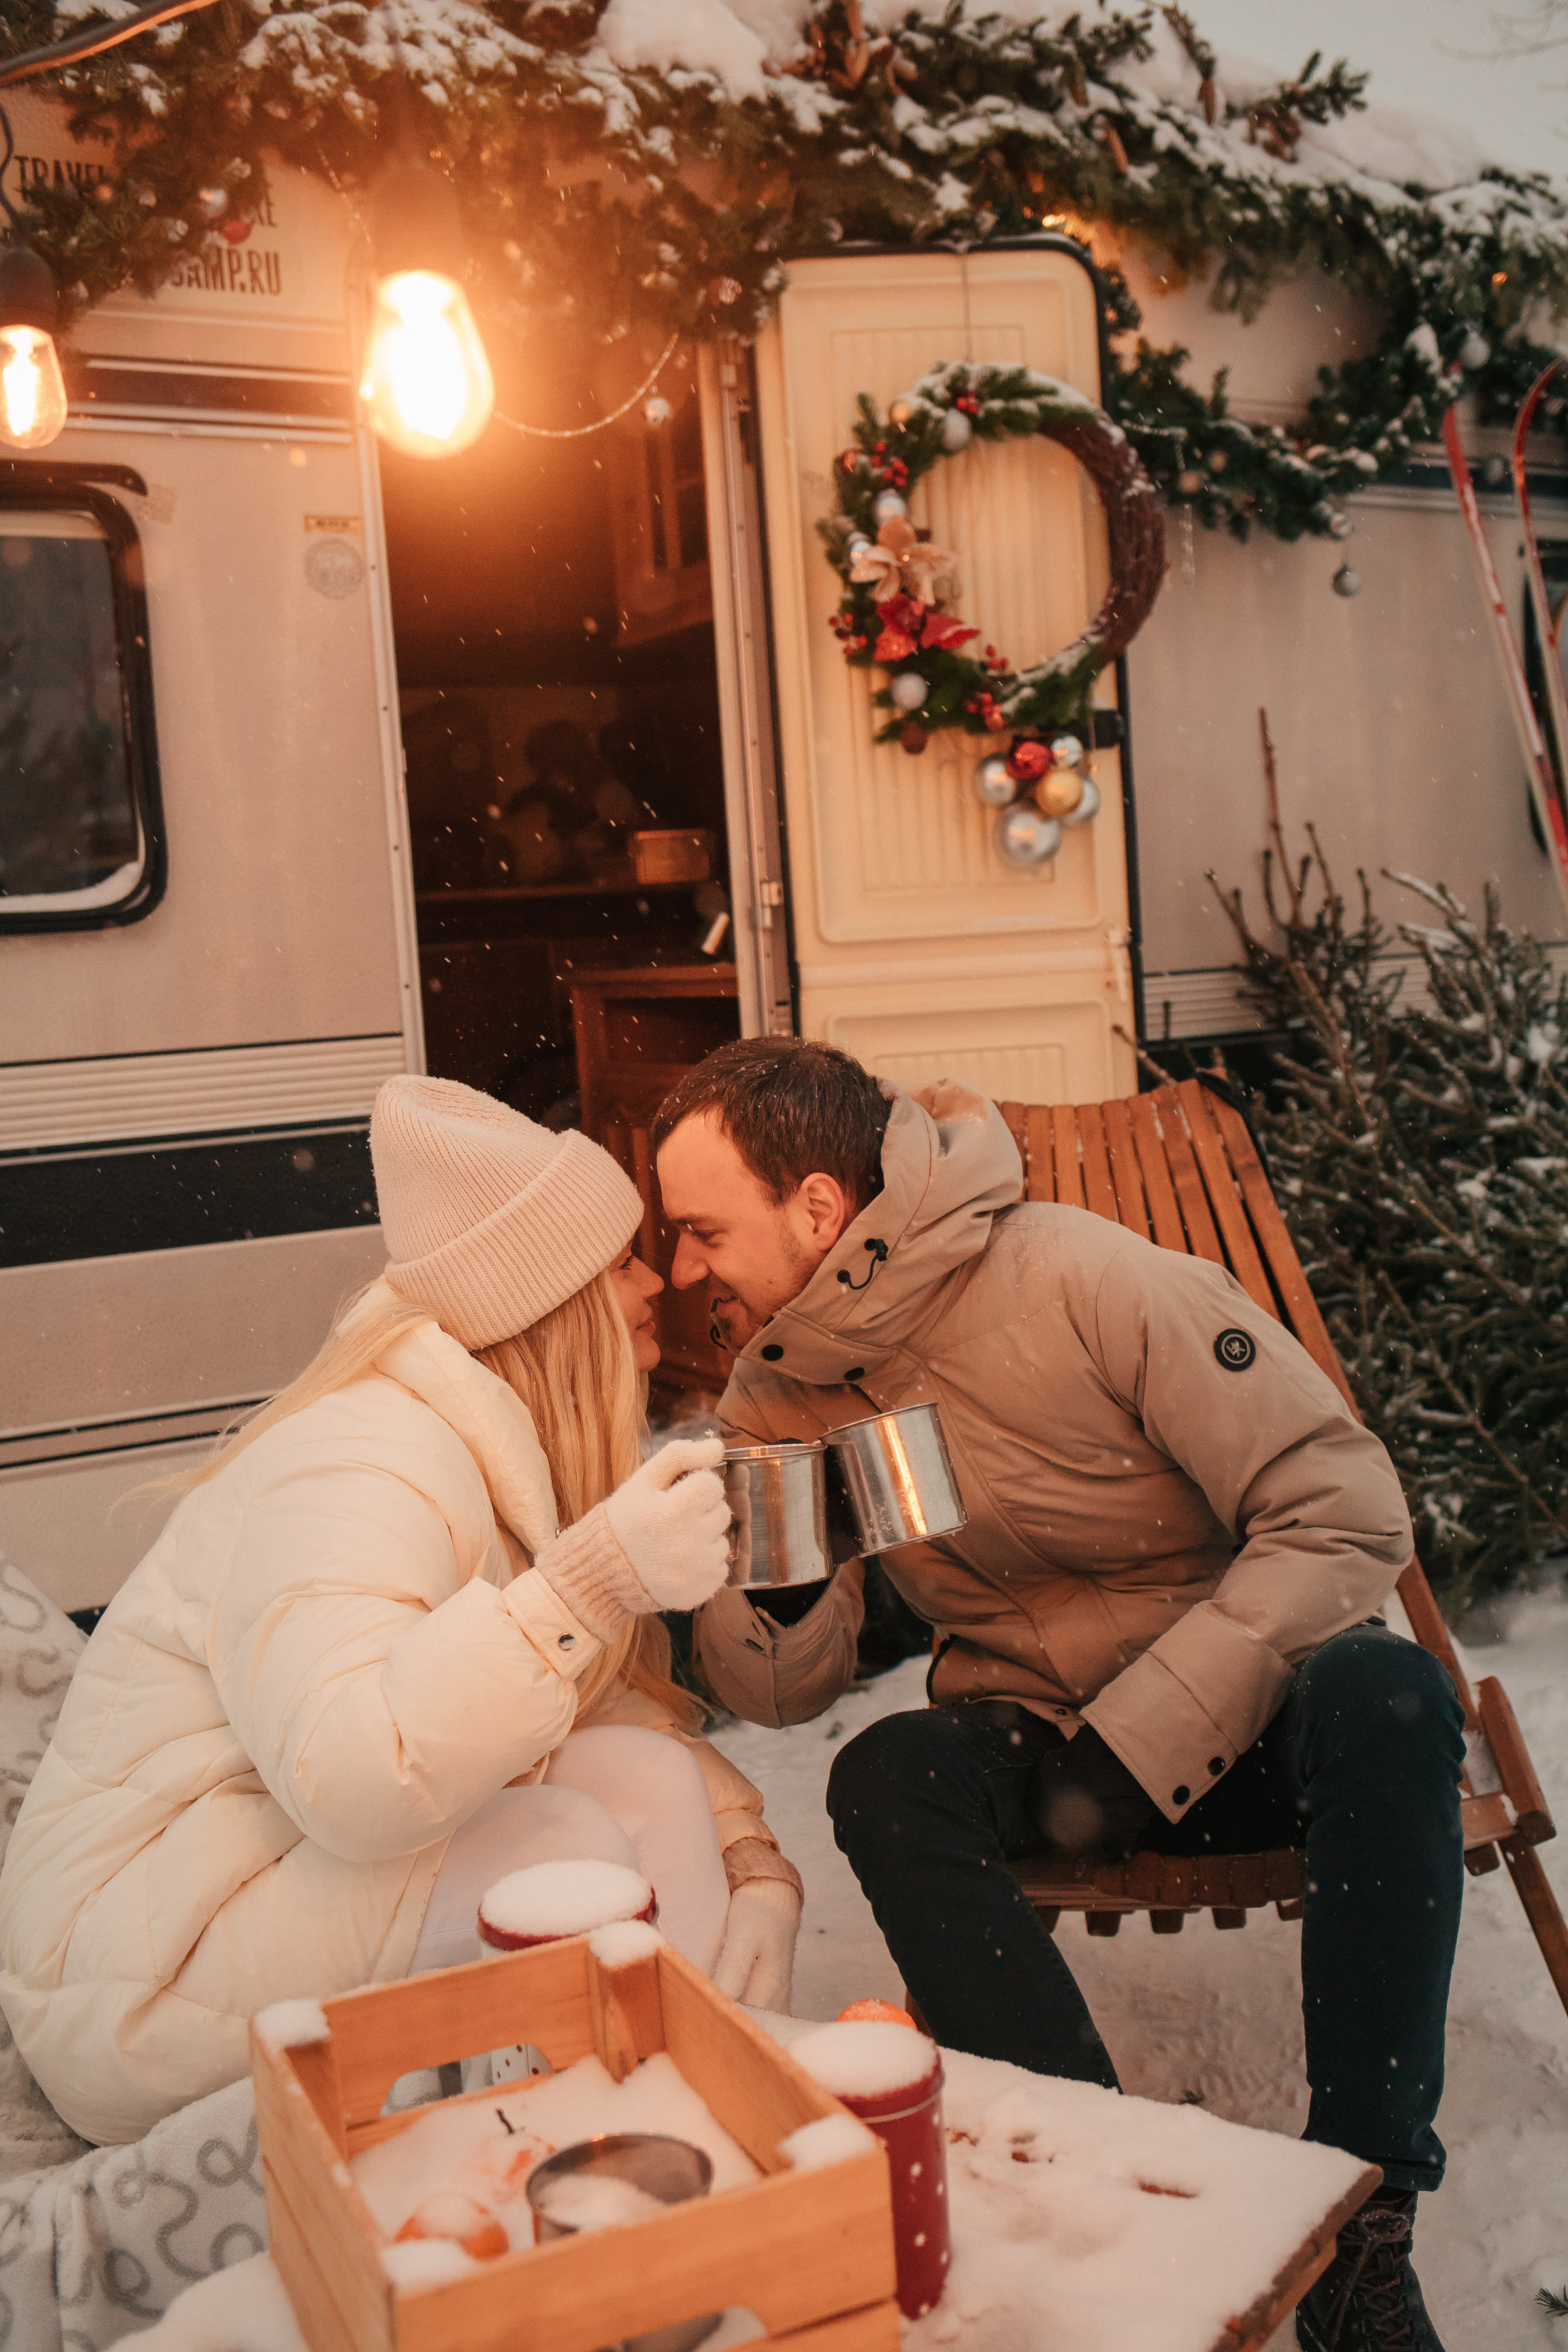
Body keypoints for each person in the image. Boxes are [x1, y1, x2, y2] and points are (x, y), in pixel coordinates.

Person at [653, 1037, 1463, 2352]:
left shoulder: (1083, 1280)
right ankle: (1102, 2195)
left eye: (703, 1231)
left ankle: (1365, 2224)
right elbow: (786, 1693)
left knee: (1390, 1693)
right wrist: (783, 1599)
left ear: (817, 1209)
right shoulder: (780, 1395)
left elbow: (1344, 1507)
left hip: (1251, 1721)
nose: (686, 1269)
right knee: (887, 1773)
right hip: (1045, 1743)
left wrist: (1148, 1738)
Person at [0, 1077, 802, 2147]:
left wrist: (749, 1858)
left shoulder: (481, 1444)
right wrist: (584, 1587)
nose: (656, 1280)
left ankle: (710, 2111)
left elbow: (589, 1710)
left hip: (245, 1877)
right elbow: (358, 1777)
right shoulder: (361, 1464)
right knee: (559, 1846)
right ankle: (637, 2143)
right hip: (131, 1976)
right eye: (620, 1263)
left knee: (642, 1777)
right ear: (546, 1301)